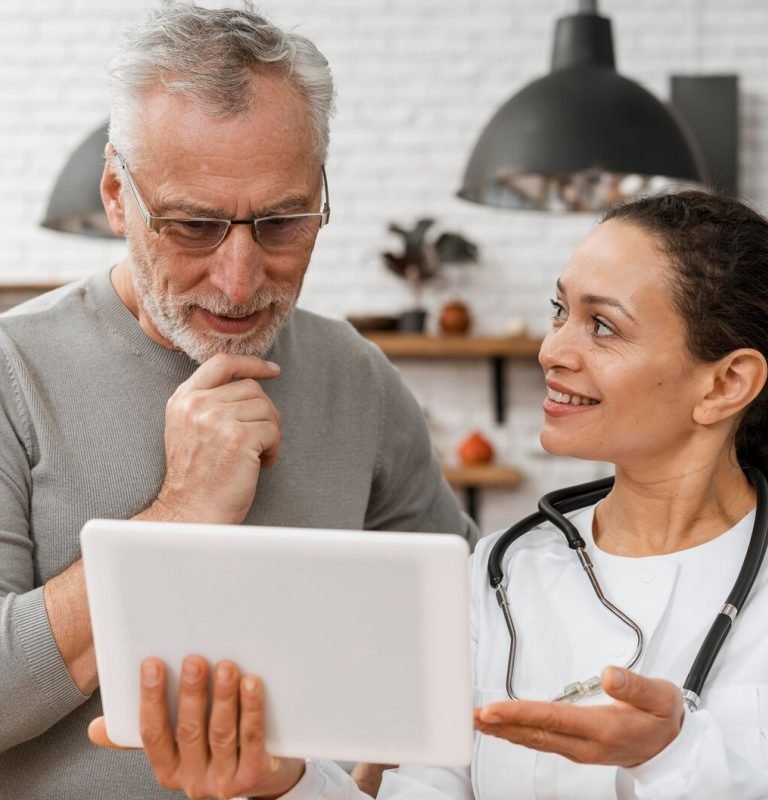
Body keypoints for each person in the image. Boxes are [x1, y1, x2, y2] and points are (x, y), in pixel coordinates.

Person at [91, 189, 768, 799]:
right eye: (560, 310)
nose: (553, 350)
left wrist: (672, 753)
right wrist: (286, 779)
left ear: (725, 383)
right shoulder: (501, 574)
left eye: (602, 325)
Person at [0, 4, 474, 798]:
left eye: (285, 222)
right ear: (119, 195)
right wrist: (179, 514)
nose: (241, 279)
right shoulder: (13, 372)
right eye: (193, 226)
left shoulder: (355, 374)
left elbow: (460, 637)